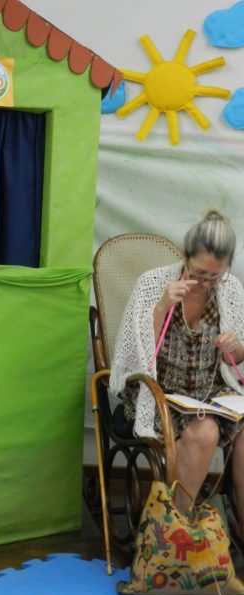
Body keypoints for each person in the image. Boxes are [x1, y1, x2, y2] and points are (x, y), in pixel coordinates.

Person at [110, 209, 244, 521]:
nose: (206, 283)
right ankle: (175, 527)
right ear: (185, 255)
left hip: (211, 392)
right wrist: (161, 308)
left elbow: (235, 360)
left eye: (215, 276)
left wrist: (234, 347)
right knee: (204, 431)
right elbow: (134, 356)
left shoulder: (231, 290)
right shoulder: (153, 283)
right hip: (159, 392)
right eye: (199, 273)